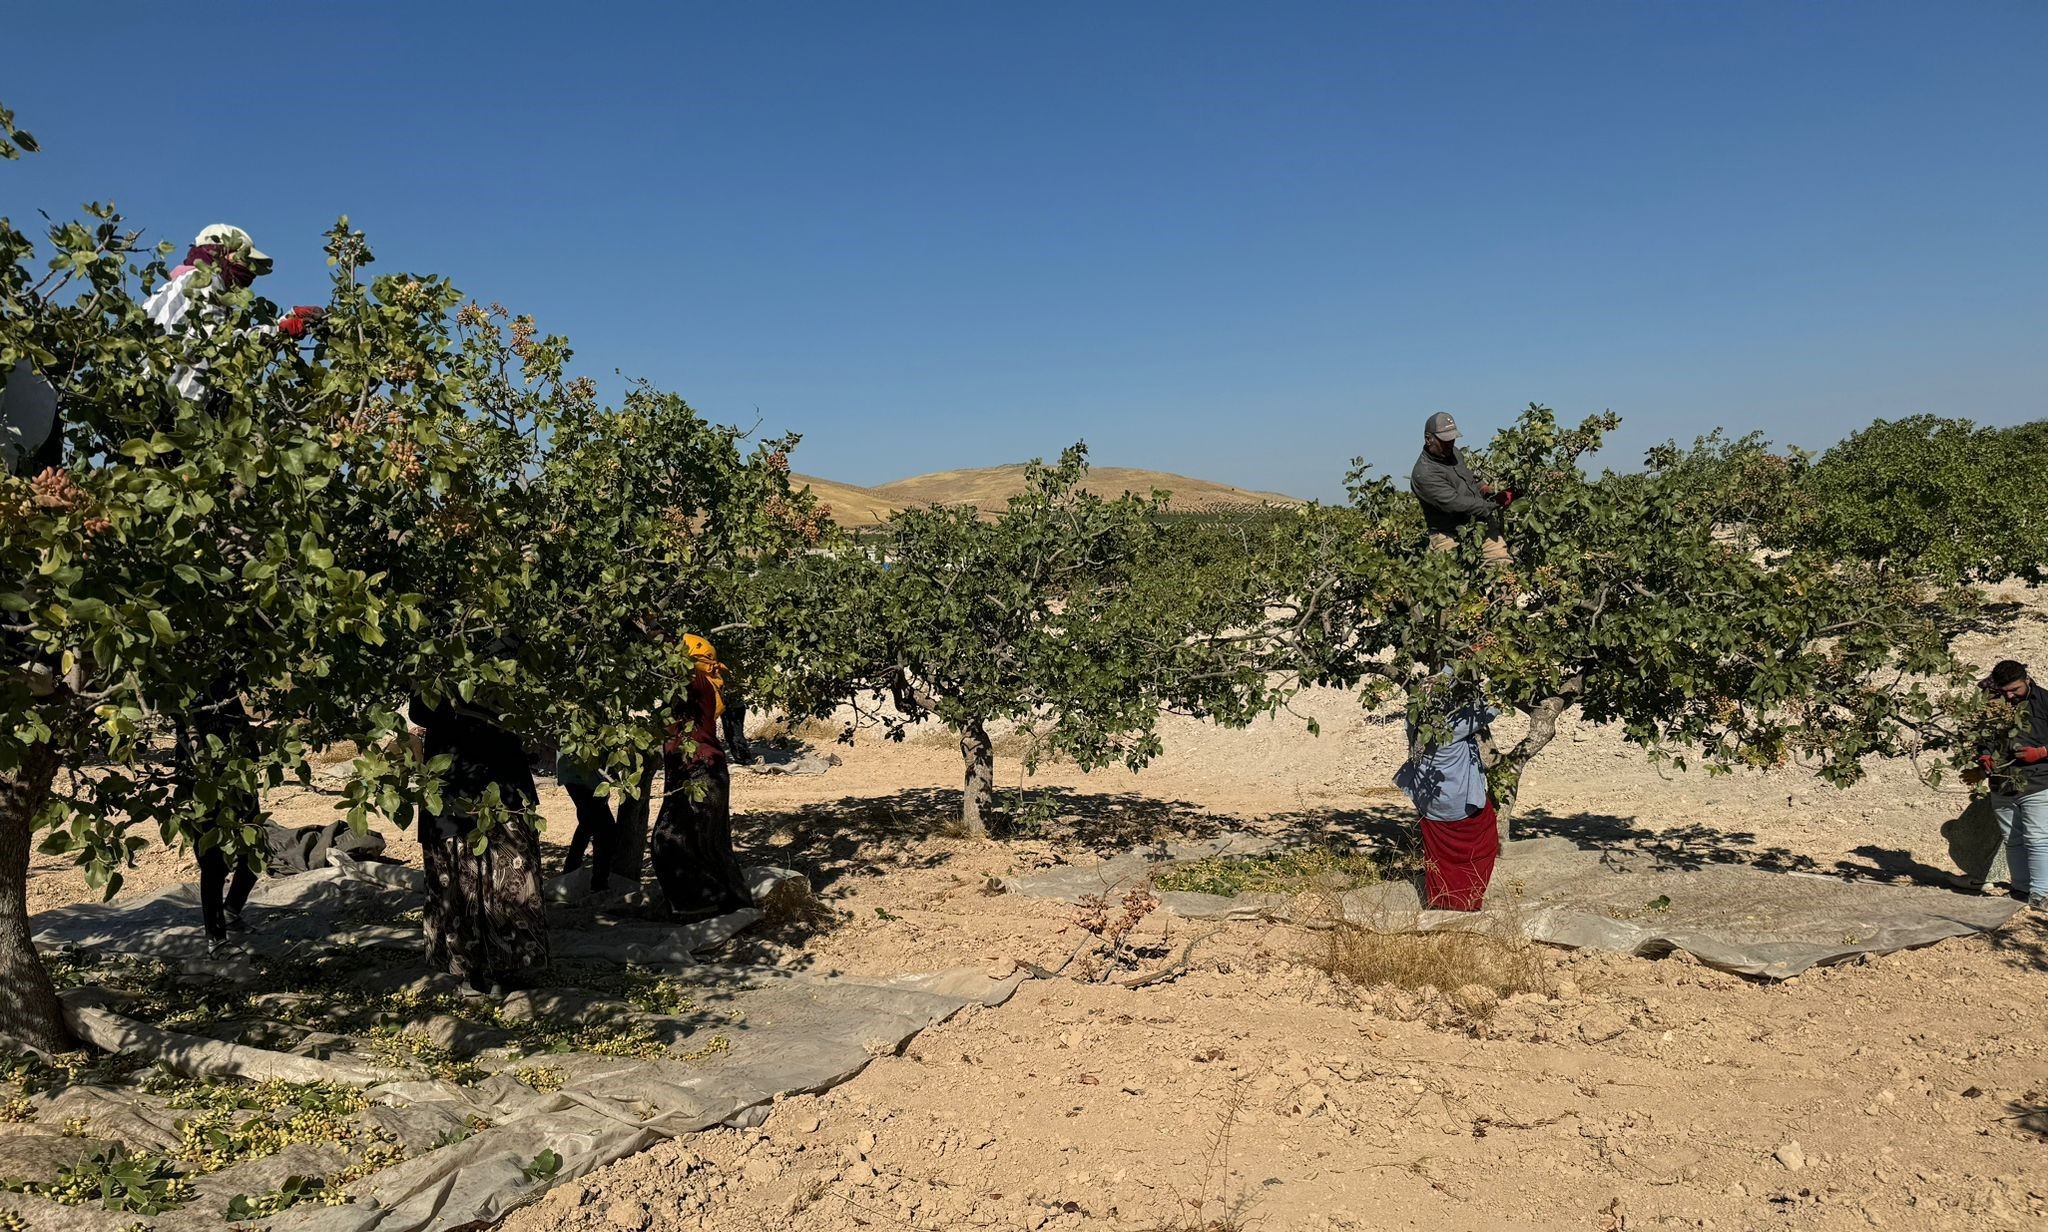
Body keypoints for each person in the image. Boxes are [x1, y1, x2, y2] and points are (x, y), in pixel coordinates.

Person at [411, 691, 550, 988]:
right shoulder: (432, 657)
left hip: (500, 779)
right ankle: (472, 970)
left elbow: (532, 705)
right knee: (460, 876)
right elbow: (420, 710)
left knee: (509, 871)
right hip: (453, 782)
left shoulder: (514, 651)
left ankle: (503, 967)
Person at [141, 224, 323, 400]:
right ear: (220, 252)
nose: (250, 271)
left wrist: (288, 319)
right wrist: (279, 330)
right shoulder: (207, 281)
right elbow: (219, 347)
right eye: (246, 259)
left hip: (153, 397)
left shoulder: (181, 282)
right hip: (164, 404)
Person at [649, 633, 752, 922]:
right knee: (707, 842)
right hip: (701, 772)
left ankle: (699, 908)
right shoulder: (690, 691)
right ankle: (729, 902)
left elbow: (674, 660)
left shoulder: (697, 682)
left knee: (668, 839)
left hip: (700, 772)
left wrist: (650, 629)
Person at [171, 679, 263, 955]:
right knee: (213, 863)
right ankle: (216, 936)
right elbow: (187, 743)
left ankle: (232, 911)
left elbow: (244, 734)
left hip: (239, 779)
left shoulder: (226, 689)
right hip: (201, 784)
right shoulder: (184, 696)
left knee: (255, 852)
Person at [1394, 692, 1502, 911]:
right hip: (1461, 805)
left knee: (1440, 859)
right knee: (1483, 848)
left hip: (1431, 805)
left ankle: (1443, 902)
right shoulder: (1451, 727)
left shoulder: (1413, 721)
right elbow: (1492, 708)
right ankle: (1467, 901)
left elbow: (1432, 689)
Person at [1965, 659, 2048, 908]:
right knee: (2012, 838)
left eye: (2015, 690)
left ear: (2027, 680)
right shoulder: (1991, 703)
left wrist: (2042, 752)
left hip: (2038, 781)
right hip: (2002, 782)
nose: (2010, 696)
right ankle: (2020, 890)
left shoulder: (2045, 702)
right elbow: (1980, 737)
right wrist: (1983, 756)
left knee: (2037, 838)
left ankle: (2041, 893)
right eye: (2005, 691)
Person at [1410, 412, 1511, 566]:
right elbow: (1454, 503)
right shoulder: (1424, 474)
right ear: (1428, 439)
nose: (1450, 443)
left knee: (1502, 567)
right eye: (1444, 440)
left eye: (1452, 438)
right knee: (1454, 582)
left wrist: (1483, 487)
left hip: (1479, 522)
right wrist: (1494, 503)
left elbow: (1468, 476)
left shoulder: (1454, 453)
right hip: (1447, 534)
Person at [557, 749, 619, 892]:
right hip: (583, 775)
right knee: (605, 829)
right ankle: (598, 883)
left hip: (579, 774)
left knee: (588, 824)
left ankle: (571, 875)